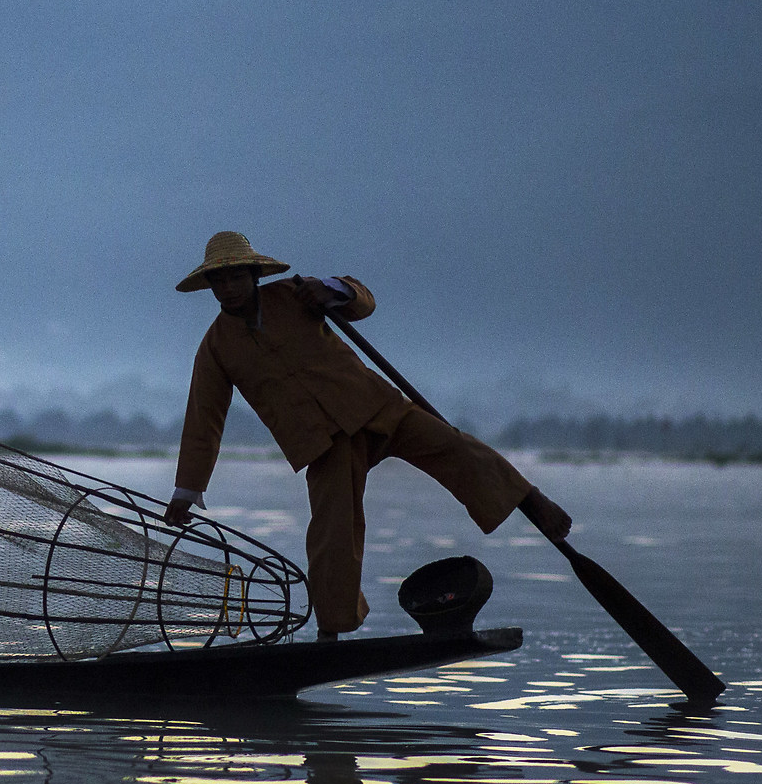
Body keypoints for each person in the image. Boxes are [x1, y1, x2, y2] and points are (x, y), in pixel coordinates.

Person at [159, 231, 570, 640]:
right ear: (210, 287)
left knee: (456, 448)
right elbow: (204, 419)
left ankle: (530, 498)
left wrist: (333, 290)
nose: (228, 288)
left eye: (236, 277)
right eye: (219, 281)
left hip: (375, 407)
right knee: (332, 535)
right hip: (322, 444)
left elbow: (363, 299)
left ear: (253, 275)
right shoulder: (215, 347)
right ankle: (332, 632)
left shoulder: (294, 294)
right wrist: (187, 489)